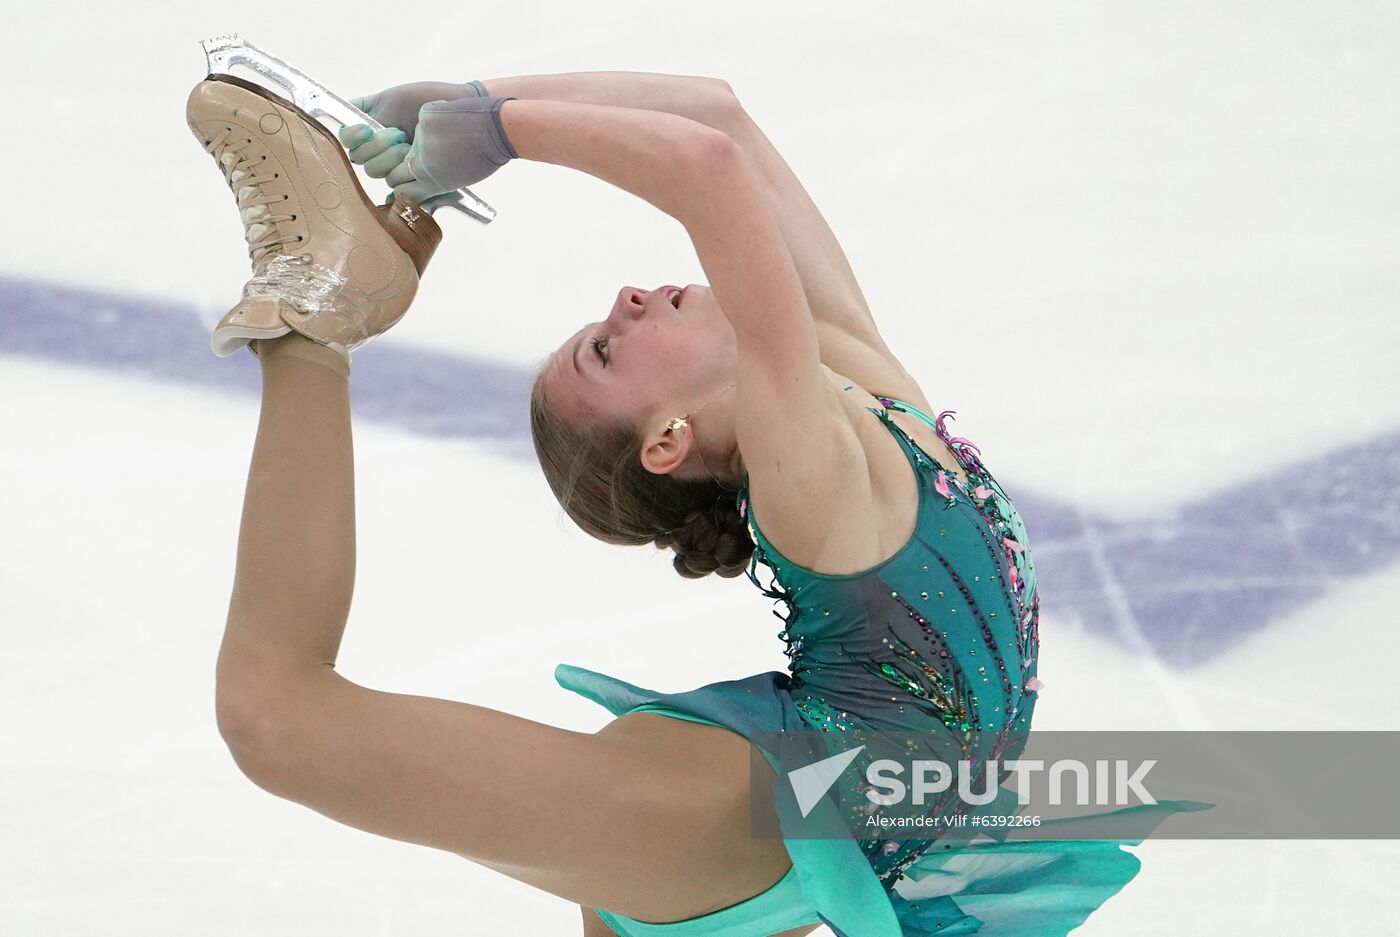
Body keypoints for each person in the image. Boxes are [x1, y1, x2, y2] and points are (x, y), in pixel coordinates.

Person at [203, 69, 1202, 937]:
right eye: (605, 348)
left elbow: (717, 115)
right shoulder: (813, 479)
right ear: (669, 440)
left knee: (280, 721)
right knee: (275, 717)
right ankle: (310, 321)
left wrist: (470, 100)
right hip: (746, 817)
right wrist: (499, 130)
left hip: (825, 808)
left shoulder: (856, 373)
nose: (629, 297)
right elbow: (705, 170)